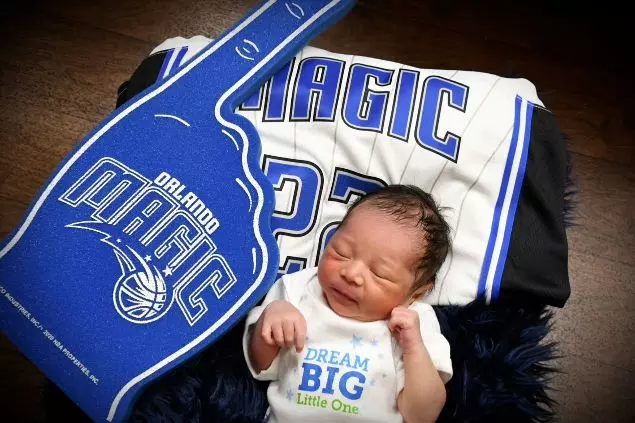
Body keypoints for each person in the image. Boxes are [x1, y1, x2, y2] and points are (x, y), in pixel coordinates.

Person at [242, 184, 453, 423]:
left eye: (380, 273)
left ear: (415, 294)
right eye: (341, 252)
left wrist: (414, 348)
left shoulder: (416, 323)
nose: (351, 273)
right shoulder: (298, 289)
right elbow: (260, 365)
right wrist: (272, 318)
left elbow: (423, 416)